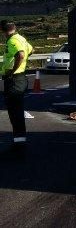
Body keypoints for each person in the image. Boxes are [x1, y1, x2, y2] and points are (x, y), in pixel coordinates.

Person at [1, 20, 33, 151]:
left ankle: (19, 146)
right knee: (17, 112)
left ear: (2, 30)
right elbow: (31, 50)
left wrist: (13, 70)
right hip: (20, 78)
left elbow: (21, 54)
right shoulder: (21, 38)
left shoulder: (12, 40)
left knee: (15, 113)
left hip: (14, 79)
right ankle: (19, 143)